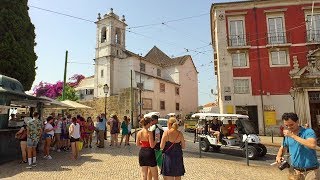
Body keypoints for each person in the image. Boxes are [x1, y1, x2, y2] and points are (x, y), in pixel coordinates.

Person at [276, 113, 319, 180]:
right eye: (286, 125)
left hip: (310, 172)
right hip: (295, 172)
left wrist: (292, 136)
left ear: (297, 122)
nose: (289, 127)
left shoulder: (308, 132)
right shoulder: (287, 135)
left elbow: (312, 145)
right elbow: (283, 147)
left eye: (291, 124)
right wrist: (279, 156)